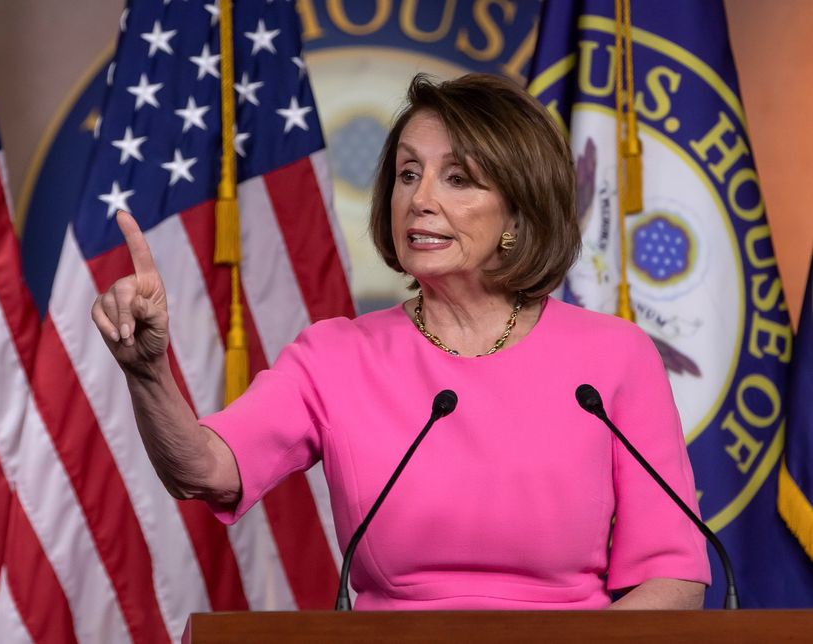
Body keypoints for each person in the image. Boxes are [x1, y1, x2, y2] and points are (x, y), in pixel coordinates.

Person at [92, 73, 710, 610]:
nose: (420, 198)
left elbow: (672, 575)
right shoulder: (336, 357)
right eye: (408, 173)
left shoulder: (614, 357)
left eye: (458, 178)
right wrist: (148, 372)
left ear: (518, 215)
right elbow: (204, 470)